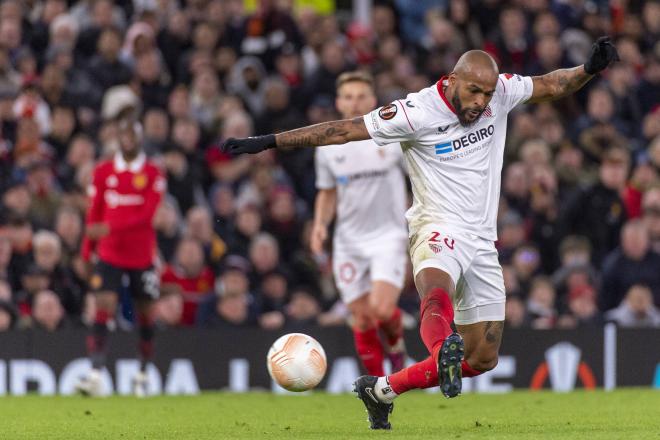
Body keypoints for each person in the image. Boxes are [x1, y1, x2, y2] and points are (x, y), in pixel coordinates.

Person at [223, 37, 619, 429]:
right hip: (435, 226)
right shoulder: (416, 112)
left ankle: (380, 391)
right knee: (436, 293)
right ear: (451, 80)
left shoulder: (502, 92)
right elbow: (342, 131)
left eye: (487, 93)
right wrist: (270, 141)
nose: (482, 101)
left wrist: (589, 70)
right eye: (474, 91)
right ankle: (439, 347)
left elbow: (552, 84)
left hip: (482, 240)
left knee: (483, 359)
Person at [311, 71, 408, 375]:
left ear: (373, 100)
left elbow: (419, 177)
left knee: (380, 309)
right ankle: (378, 391)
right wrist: (319, 225)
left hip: (388, 236)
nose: (355, 103)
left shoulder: (392, 137)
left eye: (361, 96)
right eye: (348, 97)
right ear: (339, 103)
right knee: (362, 318)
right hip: (348, 241)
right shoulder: (327, 145)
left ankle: (395, 343)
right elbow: (327, 192)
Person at [77, 108, 166, 397]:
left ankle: (142, 373)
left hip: (141, 255)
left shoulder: (152, 173)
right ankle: (95, 373)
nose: (127, 140)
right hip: (109, 254)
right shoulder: (103, 171)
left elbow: (146, 215)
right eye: (123, 135)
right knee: (103, 304)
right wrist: (86, 250)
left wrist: (109, 227)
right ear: (117, 138)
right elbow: (94, 215)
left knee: (146, 313)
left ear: (140, 138)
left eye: (132, 135)